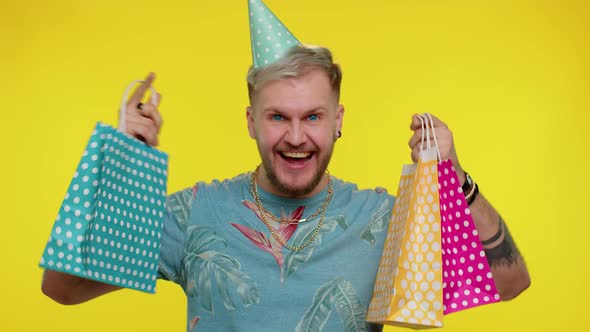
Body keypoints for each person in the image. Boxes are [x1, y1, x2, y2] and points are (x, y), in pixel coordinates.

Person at [41, 2, 530, 331]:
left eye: (313, 116)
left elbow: (510, 283)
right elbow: (62, 288)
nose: (296, 137)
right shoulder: (196, 213)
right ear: (251, 121)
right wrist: (125, 168)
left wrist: (454, 180)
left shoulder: (384, 219)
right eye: (278, 116)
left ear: (338, 121)